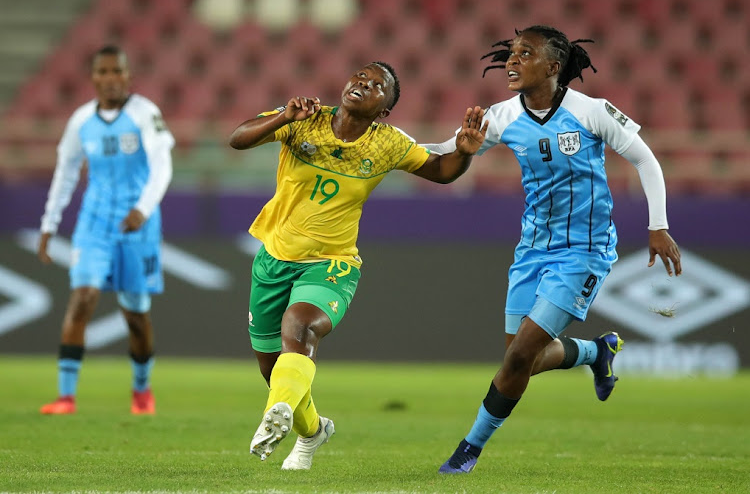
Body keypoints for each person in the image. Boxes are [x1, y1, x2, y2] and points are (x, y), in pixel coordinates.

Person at [426, 25, 682, 474]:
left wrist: (657, 226)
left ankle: (469, 449)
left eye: (525, 53)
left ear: (552, 66)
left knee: (520, 357)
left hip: (583, 251)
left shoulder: (591, 111)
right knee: (519, 359)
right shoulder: (502, 117)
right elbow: (447, 151)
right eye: (511, 53)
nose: (511, 60)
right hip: (532, 249)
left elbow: (645, 159)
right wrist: (388, 152)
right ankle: (595, 352)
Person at [229, 61, 487, 470]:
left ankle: (275, 411)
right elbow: (238, 139)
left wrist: (465, 153)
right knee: (272, 366)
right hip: (274, 258)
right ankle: (312, 433)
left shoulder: (388, 143)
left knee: (300, 327)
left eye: (377, 86)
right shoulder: (304, 117)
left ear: (384, 109)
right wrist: (283, 116)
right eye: (361, 77)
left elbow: (441, 171)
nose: (364, 84)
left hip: (332, 263)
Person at [38, 45, 174, 415]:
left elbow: (163, 165)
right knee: (82, 298)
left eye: (118, 71)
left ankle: (141, 391)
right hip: (95, 222)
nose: (111, 78)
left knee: (134, 314)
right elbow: (65, 172)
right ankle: (66, 397)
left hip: (137, 225)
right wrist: (49, 224)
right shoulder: (81, 121)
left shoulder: (146, 114)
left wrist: (143, 209)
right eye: (104, 72)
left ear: (128, 76)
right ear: (94, 77)